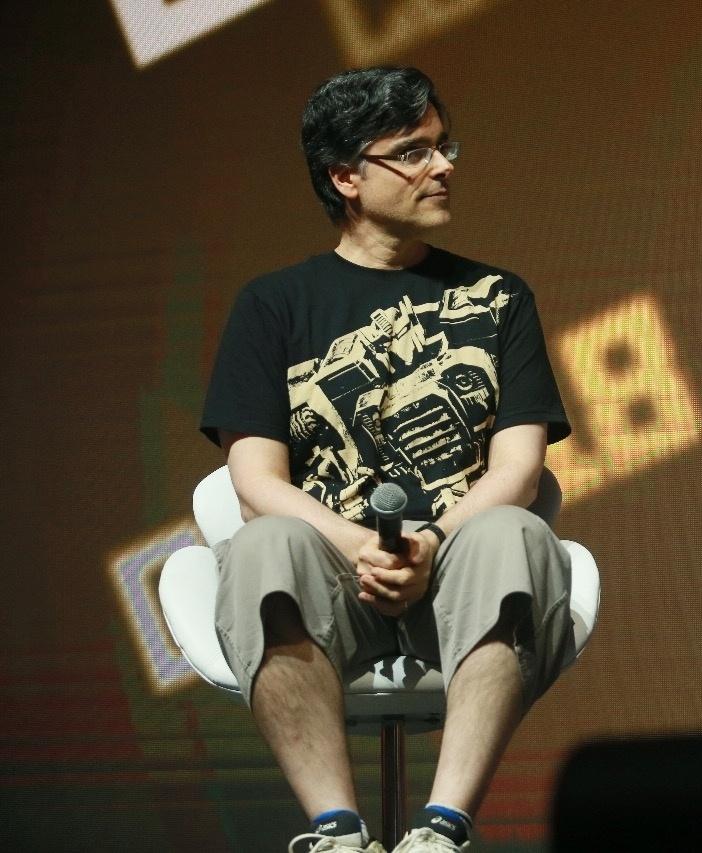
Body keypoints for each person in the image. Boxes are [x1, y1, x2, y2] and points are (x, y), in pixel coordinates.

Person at [200, 66, 575, 852]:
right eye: (413, 152)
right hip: (336, 575)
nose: (443, 167)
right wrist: (359, 546)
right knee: (264, 542)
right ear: (346, 177)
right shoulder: (274, 305)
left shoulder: (499, 296)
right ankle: (337, 831)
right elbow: (256, 481)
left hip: (461, 564)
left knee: (517, 530)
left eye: (445, 147)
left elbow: (520, 467)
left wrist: (432, 543)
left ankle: (441, 829)